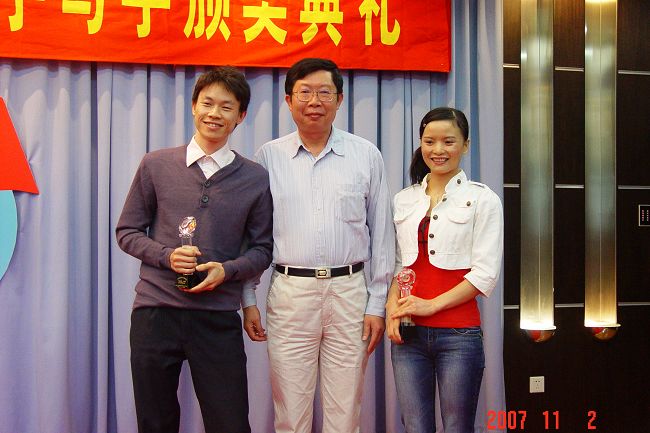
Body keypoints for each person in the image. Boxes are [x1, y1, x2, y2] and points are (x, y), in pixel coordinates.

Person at [115, 67, 273, 433]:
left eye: (226, 107)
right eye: (207, 103)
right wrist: (166, 256)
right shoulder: (155, 164)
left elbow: (262, 249)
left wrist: (227, 270)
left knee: (230, 423)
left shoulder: (254, 177)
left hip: (217, 316)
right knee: (155, 423)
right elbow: (127, 231)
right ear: (193, 106)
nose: (215, 114)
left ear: (241, 116)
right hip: (155, 312)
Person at [245, 58, 394, 433]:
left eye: (325, 92)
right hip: (291, 293)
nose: (315, 101)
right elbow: (253, 235)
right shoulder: (268, 157)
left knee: (345, 411)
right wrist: (247, 297)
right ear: (288, 100)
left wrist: (377, 302)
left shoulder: (365, 155)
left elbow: (382, 233)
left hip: (350, 293)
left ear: (339, 99)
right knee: (290, 413)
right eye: (305, 92)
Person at [386, 107, 503, 433]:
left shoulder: (483, 199)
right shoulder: (403, 199)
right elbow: (400, 264)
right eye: (429, 141)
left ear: (465, 145)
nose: (438, 150)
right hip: (408, 334)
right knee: (415, 426)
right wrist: (392, 307)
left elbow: (485, 274)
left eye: (448, 142)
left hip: (459, 334)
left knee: (457, 426)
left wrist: (431, 305)